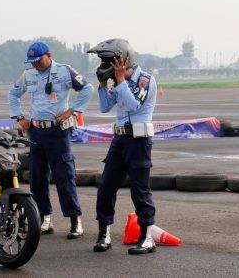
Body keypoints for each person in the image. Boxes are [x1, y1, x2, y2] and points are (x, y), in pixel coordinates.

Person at [8, 42, 94, 239]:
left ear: (49, 55)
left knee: (64, 176)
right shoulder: (27, 75)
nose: (35, 65)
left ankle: (75, 220)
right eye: (32, 62)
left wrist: (72, 110)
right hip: (36, 132)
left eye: (38, 61)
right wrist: (19, 117)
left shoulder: (65, 71)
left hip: (57, 132)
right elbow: (13, 94)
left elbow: (87, 88)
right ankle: (45, 218)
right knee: (37, 178)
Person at [87, 39, 157, 255]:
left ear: (123, 60)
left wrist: (119, 81)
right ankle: (104, 234)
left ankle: (147, 238)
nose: (104, 64)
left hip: (139, 141)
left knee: (139, 189)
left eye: (108, 60)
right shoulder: (117, 82)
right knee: (106, 186)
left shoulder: (145, 80)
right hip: (119, 140)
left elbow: (135, 104)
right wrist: (102, 85)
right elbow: (105, 107)